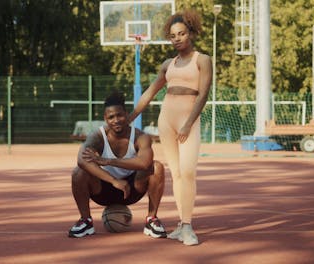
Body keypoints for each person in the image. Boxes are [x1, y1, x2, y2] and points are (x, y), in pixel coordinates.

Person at [127, 9, 213, 246]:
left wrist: (188, 124)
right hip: (167, 120)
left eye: (182, 34)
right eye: (173, 35)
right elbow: (149, 93)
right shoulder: (168, 64)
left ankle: (188, 226)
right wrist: (130, 117)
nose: (177, 39)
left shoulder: (202, 60)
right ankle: (181, 226)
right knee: (175, 173)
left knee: (188, 172)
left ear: (191, 33)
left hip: (188, 121)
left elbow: (203, 94)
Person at [68, 91, 167, 239]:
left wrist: (108, 161)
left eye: (119, 115)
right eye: (111, 117)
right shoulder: (98, 136)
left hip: (132, 189)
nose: (116, 120)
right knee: (78, 172)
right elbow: (81, 160)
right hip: (103, 189)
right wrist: (114, 181)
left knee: (157, 167)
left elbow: (145, 162)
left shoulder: (140, 137)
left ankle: (151, 220)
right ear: (105, 119)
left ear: (126, 115)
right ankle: (86, 221)